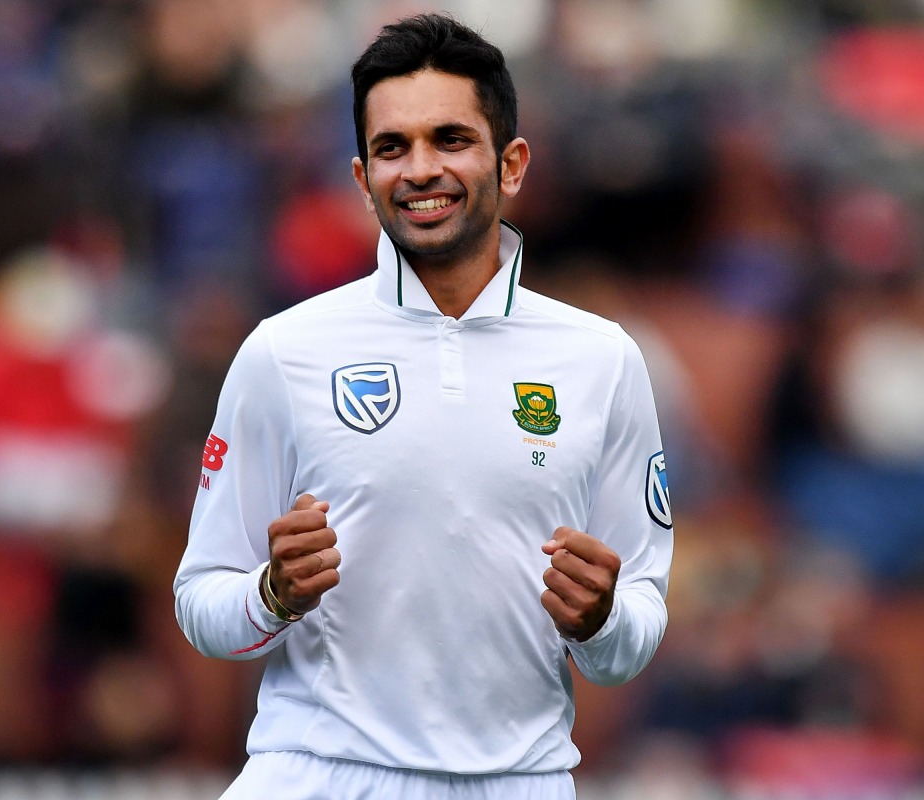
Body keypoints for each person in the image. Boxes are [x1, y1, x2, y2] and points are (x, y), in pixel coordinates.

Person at [173, 13, 674, 799]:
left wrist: (602, 618)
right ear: (360, 178)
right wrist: (272, 593)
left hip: (523, 779)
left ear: (510, 165)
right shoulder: (285, 349)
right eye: (391, 147)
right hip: (320, 775)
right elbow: (202, 603)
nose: (419, 170)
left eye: (450, 139)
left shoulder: (601, 358)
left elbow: (633, 634)